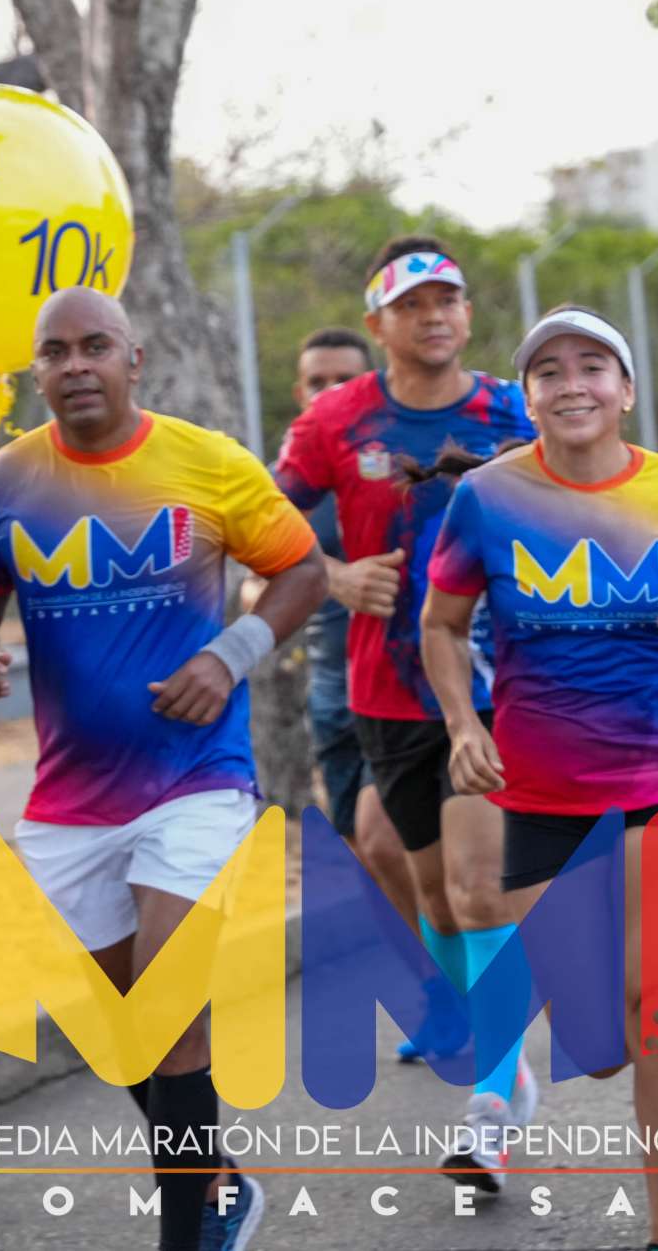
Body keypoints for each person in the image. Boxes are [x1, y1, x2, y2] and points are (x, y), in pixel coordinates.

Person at [0, 288, 326, 1251]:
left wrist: (229, 655)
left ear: (133, 358)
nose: (75, 365)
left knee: (168, 1013)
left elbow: (303, 569)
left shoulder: (207, 461)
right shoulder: (4, 482)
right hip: (69, 798)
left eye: (95, 346)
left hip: (197, 777)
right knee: (121, 1032)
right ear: (36, 370)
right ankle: (219, 1184)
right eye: (55, 352)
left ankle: (186, 1233)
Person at [424, 304, 658, 1251]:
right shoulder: (487, 498)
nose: (571, 383)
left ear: (624, 389)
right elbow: (442, 624)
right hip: (542, 796)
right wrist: (462, 722)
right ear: (528, 395)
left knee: (657, 1013)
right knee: (599, 1039)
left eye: (592, 365)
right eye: (549, 370)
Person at [273, 236, 542, 1176]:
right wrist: (336, 574)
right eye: (413, 305)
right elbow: (265, 526)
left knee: (476, 886)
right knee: (429, 890)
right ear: (379, 322)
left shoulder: (512, 411)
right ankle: (496, 1044)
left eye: (448, 300)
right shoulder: (336, 420)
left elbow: (596, 498)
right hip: (386, 690)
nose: (434, 317)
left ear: (467, 313)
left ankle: (493, 1097)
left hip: (497, 683)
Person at [291, 327, 419, 924]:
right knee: (364, 852)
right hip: (330, 688)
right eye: (317, 382)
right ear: (300, 392)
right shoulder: (291, 481)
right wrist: (334, 578)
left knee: (384, 840)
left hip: (404, 684)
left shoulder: (401, 464)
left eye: (344, 379)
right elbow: (257, 577)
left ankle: (450, 964)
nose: (329, 391)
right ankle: (428, 963)